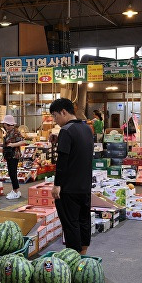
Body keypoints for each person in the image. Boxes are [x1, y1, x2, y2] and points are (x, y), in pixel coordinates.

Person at [49, 98, 94, 255]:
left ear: (63, 112)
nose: (55, 120)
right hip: (85, 185)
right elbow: (78, 150)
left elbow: (63, 160)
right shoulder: (87, 129)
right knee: (83, 220)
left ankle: (73, 258)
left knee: (71, 223)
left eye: (55, 116)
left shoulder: (66, 131)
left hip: (69, 188)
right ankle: (83, 253)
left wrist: (57, 185)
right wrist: (58, 141)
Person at [2, 115, 27, 200]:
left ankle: (16, 191)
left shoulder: (15, 131)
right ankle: (15, 190)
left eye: (5, 124)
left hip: (14, 155)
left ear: (8, 124)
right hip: (9, 155)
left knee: (13, 173)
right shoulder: (8, 132)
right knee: (11, 173)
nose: (4, 125)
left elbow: (23, 141)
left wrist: (13, 145)